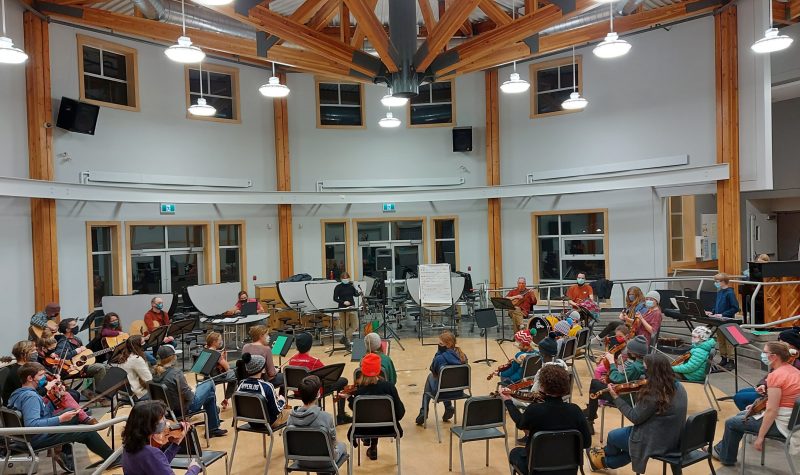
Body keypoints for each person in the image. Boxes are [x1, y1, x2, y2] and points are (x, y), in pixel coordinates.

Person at [586, 353, 688, 473]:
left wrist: (616, 397)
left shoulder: (654, 393)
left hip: (654, 440)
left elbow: (635, 417)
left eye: (645, 370)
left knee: (613, 436)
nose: (643, 374)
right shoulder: (678, 387)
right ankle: (602, 461)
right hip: (674, 438)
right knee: (630, 450)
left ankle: (603, 459)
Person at [8, 363, 115, 472]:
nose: (44, 378)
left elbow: (42, 414)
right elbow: (32, 425)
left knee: (73, 413)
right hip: (37, 439)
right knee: (86, 432)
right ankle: (113, 459)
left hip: (29, 437)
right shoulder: (31, 397)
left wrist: (54, 399)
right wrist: (61, 419)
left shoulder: (17, 393)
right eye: (41, 375)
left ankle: (63, 448)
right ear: (30, 378)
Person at [713, 341, 800, 466]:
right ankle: (721, 450)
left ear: (774, 356)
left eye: (765, 352)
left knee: (731, 423)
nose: (763, 355)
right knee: (741, 416)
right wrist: (756, 406)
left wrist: (760, 437)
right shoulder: (794, 371)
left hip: (782, 425)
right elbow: (782, 399)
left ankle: (726, 458)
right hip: (793, 421)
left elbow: (772, 411)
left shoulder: (776, 376)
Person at [502, 364, 591, 475]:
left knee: (515, 453)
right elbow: (587, 443)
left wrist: (508, 401)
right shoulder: (575, 410)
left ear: (542, 386)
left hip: (537, 469)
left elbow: (520, 424)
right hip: (569, 469)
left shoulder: (535, 410)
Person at [151, 345, 227, 437]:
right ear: (173, 357)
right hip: (184, 409)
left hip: (167, 410)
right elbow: (190, 398)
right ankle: (213, 427)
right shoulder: (176, 373)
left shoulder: (154, 372)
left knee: (210, 395)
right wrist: (193, 390)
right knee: (209, 383)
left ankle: (214, 427)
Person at [583, 335, 649, 434]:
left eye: (629, 350)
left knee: (594, 384)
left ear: (634, 353)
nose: (628, 351)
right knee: (597, 384)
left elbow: (617, 379)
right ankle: (590, 414)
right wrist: (609, 380)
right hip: (632, 394)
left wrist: (611, 362)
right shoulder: (643, 364)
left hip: (624, 397)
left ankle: (590, 419)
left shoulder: (634, 367)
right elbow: (625, 381)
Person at [347, 353, 405, 461]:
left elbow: (356, 411)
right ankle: (373, 446)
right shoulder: (389, 387)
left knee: (370, 416)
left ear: (362, 370)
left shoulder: (358, 392)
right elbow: (400, 413)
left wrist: (349, 398)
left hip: (362, 429)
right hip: (388, 427)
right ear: (379, 370)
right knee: (376, 415)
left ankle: (370, 444)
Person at [121, 400, 202, 475]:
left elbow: (158, 464)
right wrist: (193, 469)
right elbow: (156, 460)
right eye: (162, 419)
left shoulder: (128, 446)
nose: (166, 423)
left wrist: (176, 443)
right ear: (150, 426)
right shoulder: (151, 452)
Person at [287, 332, 351, 425]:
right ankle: (341, 416)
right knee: (343, 381)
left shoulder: (292, 360)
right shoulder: (314, 361)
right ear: (310, 345)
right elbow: (327, 375)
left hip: (297, 390)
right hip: (313, 391)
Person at [732, 327, 800, 411]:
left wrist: (767, 389)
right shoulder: (786, 358)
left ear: (793, 345)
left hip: (780, 398)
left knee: (739, 398)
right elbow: (771, 375)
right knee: (741, 392)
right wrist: (763, 384)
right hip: (773, 390)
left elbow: (782, 386)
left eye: (782, 342)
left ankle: (750, 419)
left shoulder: (795, 363)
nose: (779, 343)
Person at [288, 375, 347, 470]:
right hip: (326, 462)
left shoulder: (291, 418)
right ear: (318, 394)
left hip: (301, 461)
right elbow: (333, 443)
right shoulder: (326, 417)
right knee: (342, 446)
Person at [415, 330, 468, 426]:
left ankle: (424, 411)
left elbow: (433, 370)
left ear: (447, 345)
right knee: (445, 382)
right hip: (459, 391)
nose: (438, 345)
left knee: (430, 378)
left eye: (440, 343)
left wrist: (438, 354)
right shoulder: (463, 357)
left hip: (442, 392)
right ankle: (448, 407)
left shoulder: (440, 358)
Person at [235, 353, 290, 428]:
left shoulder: (241, 384)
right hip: (268, 423)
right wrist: (282, 401)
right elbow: (276, 410)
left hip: (251, 421)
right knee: (290, 413)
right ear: (263, 370)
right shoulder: (267, 386)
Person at [55, 318, 108, 386]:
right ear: (67, 329)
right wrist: (77, 351)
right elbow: (60, 355)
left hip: (83, 366)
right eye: (74, 325)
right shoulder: (63, 342)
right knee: (100, 368)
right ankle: (99, 393)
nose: (77, 326)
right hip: (73, 369)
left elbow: (83, 355)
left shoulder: (77, 339)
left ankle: (90, 391)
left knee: (108, 367)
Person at [706, 272, 740, 370]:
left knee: (729, 342)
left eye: (717, 281)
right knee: (721, 341)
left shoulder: (730, 293)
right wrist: (712, 312)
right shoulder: (720, 292)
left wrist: (723, 314)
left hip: (728, 320)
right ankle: (724, 358)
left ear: (724, 282)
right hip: (719, 321)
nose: (715, 283)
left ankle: (731, 361)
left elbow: (735, 308)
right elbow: (717, 305)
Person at [109, 335, 153, 401]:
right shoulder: (136, 359)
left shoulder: (123, 357)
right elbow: (148, 380)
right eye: (143, 342)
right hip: (137, 394)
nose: (145, 344)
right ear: (138, 346)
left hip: (125, 393)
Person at [204, 332, 237, 409]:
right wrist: (223, 358)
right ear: (214, 342)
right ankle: (227, 399)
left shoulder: (205, 350)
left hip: (207, 377)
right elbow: (227, 367)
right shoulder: (216, 354)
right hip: (217, 377)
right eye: (220, 340)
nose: (221, 342)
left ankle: (226, 399)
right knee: (236, 376)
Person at [333, 272, 361, 347]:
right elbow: (335, 298)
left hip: (352, 307)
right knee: (345, 326)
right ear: (341, 279)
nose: (345, 279)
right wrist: (343, 302)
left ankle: (344, 337)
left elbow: (356, 294)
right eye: (344, 278)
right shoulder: (338, 287)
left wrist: (355, 286)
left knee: (355, 325)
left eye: (346, 278)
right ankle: (347, 341)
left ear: (349, 278)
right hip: (342, 308)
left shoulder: (351, 286)